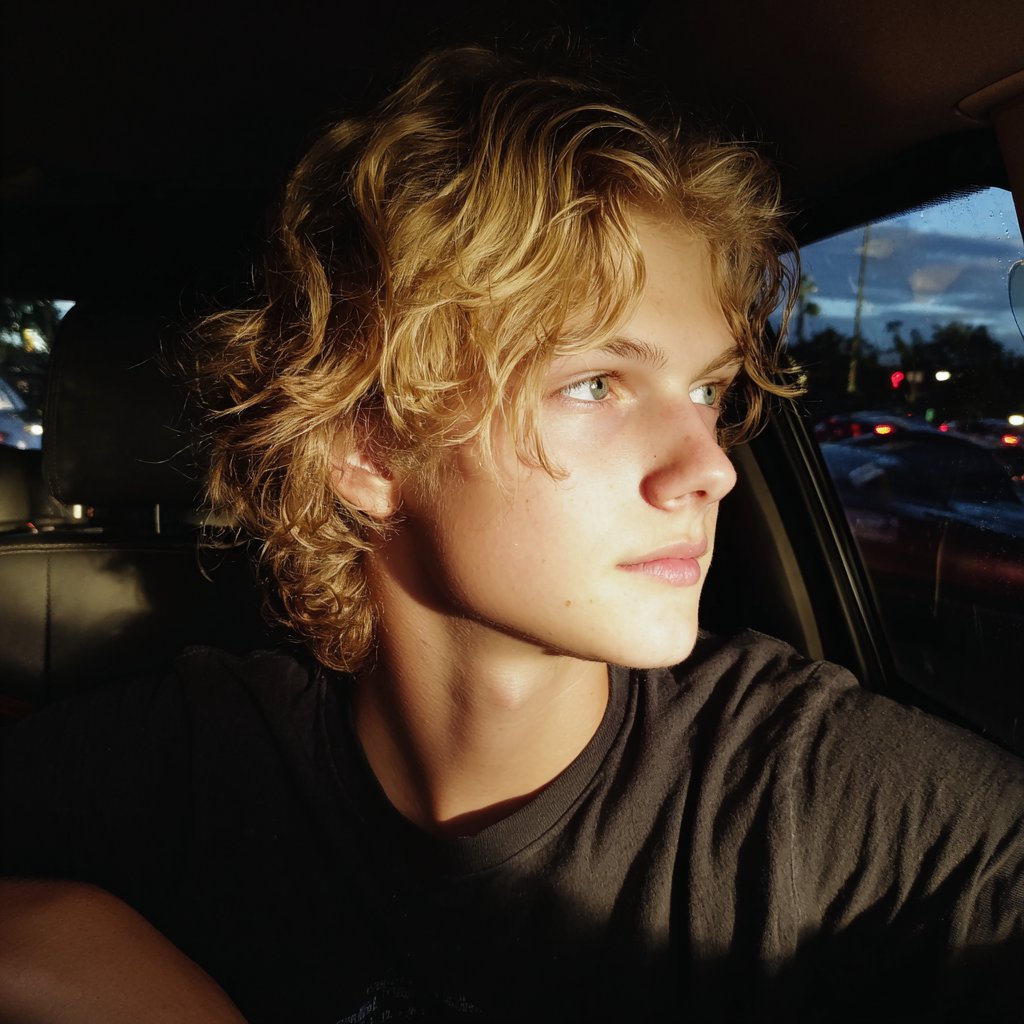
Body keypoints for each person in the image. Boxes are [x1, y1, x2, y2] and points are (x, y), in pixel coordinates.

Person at [1, 44, 1022, 1024]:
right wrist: (53, 936)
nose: (711, 465)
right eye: (594, 383)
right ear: (368, 451)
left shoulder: (812, 800)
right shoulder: (193, 769)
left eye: (707, 387)